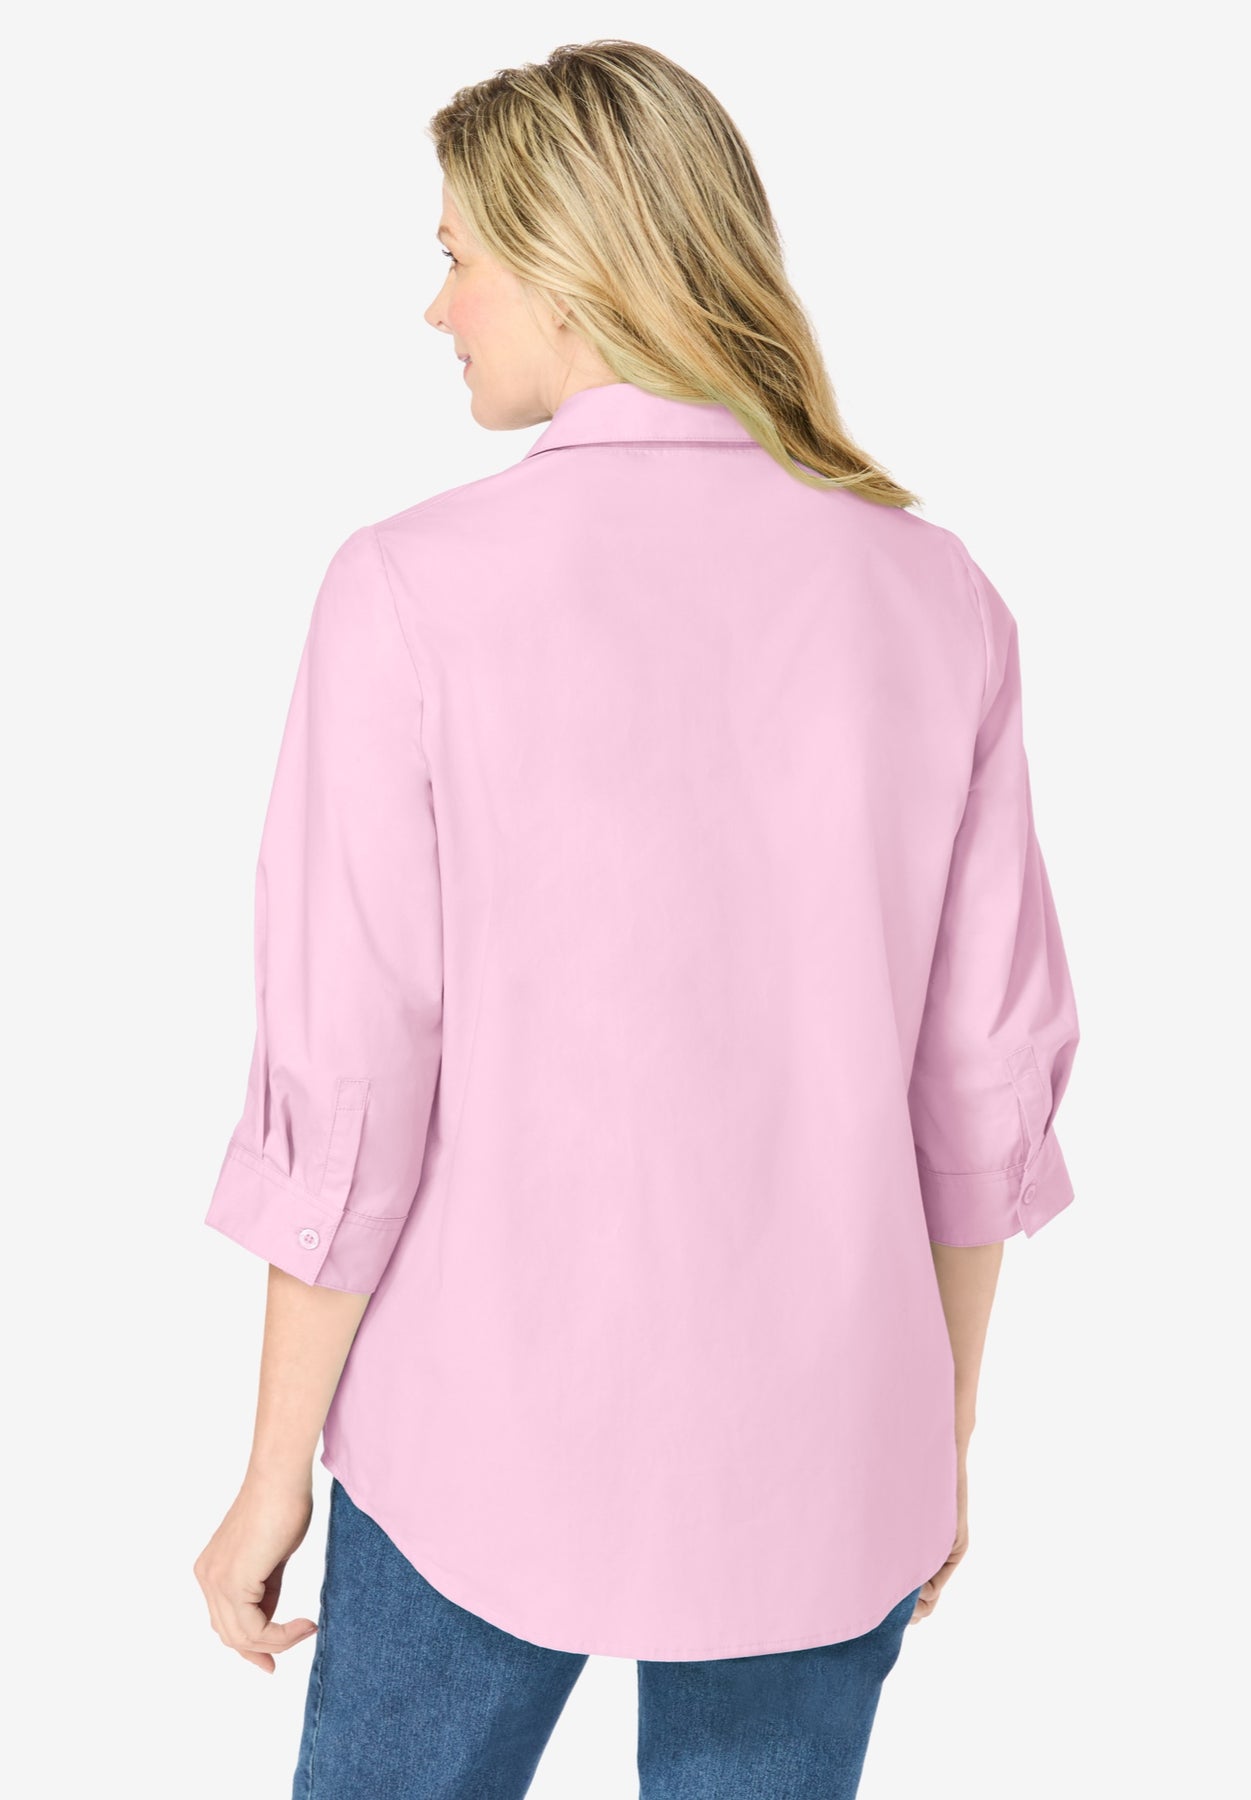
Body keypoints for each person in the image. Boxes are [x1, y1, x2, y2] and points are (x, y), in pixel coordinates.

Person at [192, 37, 1081, 1800]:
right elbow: (976, 1095)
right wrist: (939, 1433)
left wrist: (271, 1471)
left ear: (570, 263)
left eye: (456, 255)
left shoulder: (406, 591)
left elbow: (351, 1082)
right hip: (829, 1444)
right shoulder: (935, 594)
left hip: (474, 1440)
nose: (435, 308)